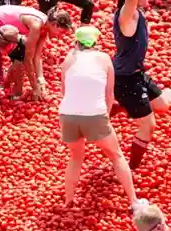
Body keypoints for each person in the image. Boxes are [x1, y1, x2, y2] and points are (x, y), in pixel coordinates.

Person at [59, 26, 147, 210]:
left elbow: (64, 92)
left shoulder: (68, 59)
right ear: (96, 43)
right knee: (116, 155)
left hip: (67, 114)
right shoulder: (105, 59)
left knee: (75, 157)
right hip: (94, 114)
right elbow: (109, 93)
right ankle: (133, 201)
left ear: (76, 42)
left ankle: (68, 201)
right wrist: (105, 116)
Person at [112, 0, 171, 170]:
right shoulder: (127, 17)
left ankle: (119, 105)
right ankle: (133, 168)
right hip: (126, 79)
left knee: (162, 106)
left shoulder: (138, 8)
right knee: (149, 125)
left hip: (137, 73)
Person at [0, 4, 72, 100]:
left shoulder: (44, 27)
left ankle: (5, 85)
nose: (61, 36)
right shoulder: (36, 26)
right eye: (62, 32)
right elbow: (27, 59)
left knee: (20, 53)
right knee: (20, 56)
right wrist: (35, 88)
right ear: (55, 25)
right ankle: (15, 94)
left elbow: (37, 57)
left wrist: (41, 80)